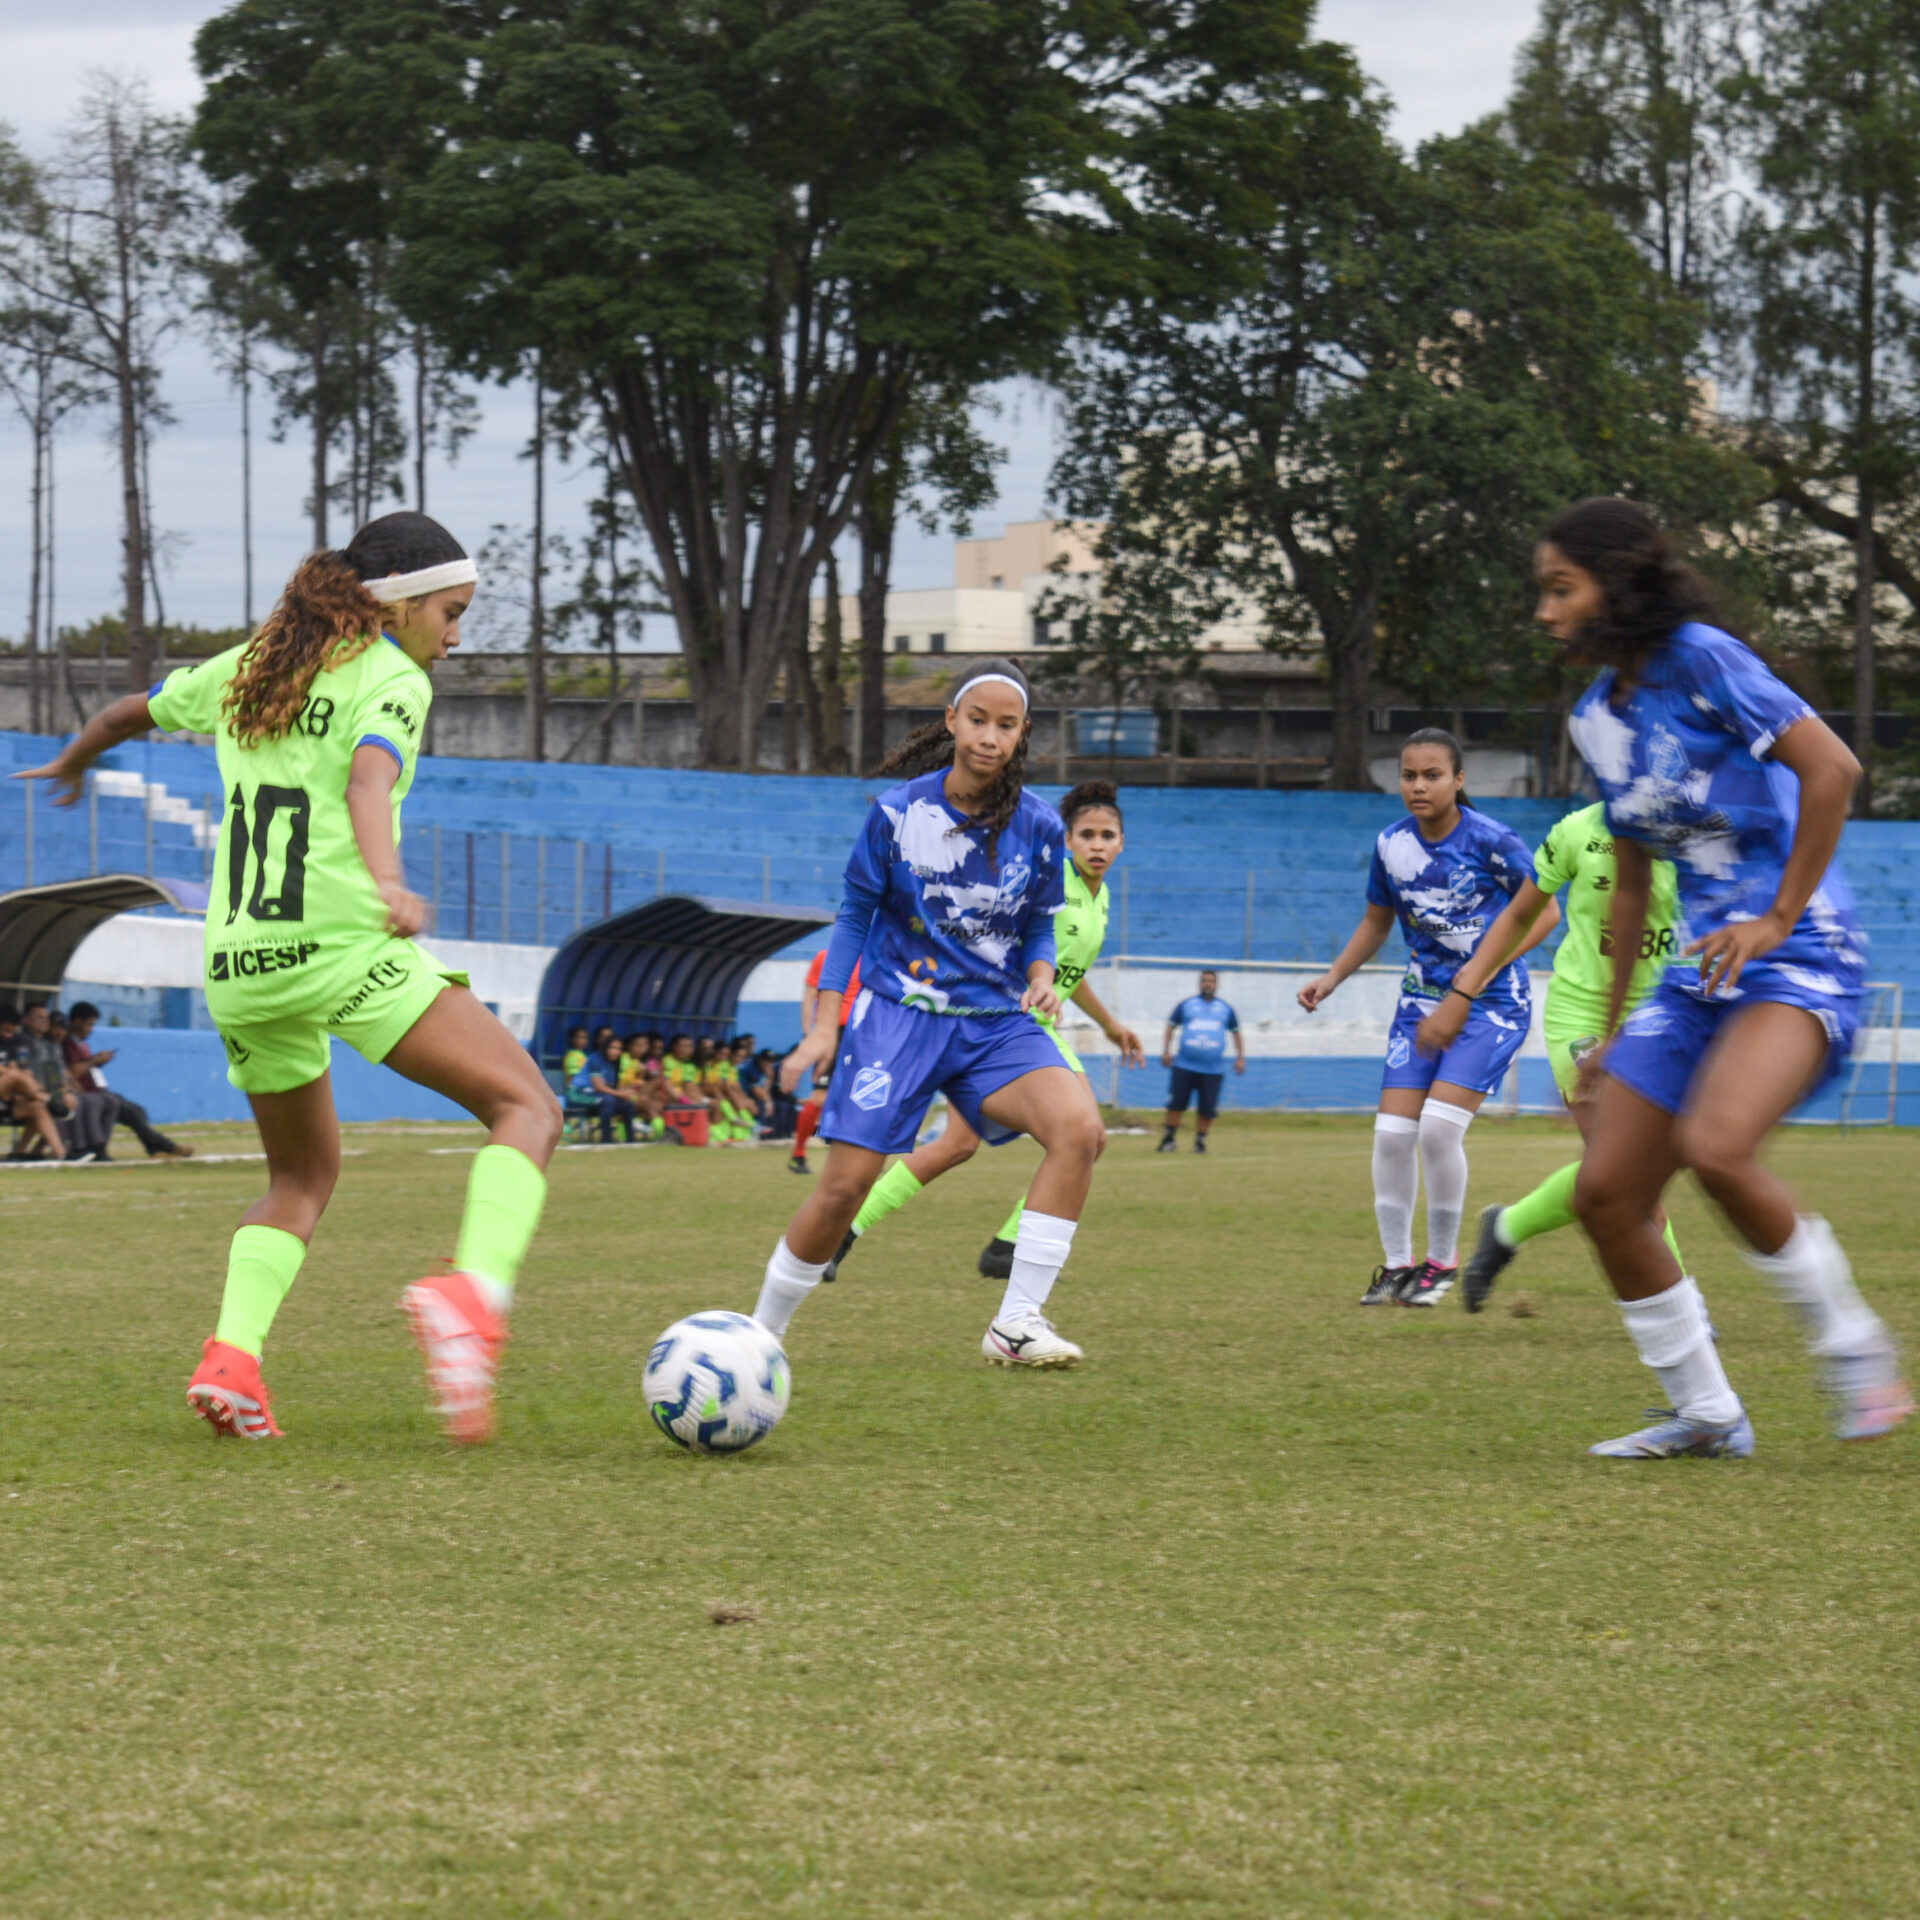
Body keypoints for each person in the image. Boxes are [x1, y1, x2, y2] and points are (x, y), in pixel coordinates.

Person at [11, 511, 561, 1443]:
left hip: (238, 962)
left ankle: (232, 1362)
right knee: (530, 1110)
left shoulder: (257, 664)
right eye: (451, 612)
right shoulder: (390, 677)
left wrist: (72, 758)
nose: (456, 636)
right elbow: (368, 783)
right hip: (341, 946)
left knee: (300, 1176)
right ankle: (472, 1298)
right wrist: (389, 882)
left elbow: (123, 714)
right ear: (399, 605)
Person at [1543, 497, 1909, 1456]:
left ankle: (1856, 1349)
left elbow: (1831, 767)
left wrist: (1778, 915)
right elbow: (1627, 881)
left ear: (1615, 586)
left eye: (1560, 589)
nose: (1545, 613)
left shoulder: (1703, 658)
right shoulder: (1595, 719)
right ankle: (1707, 1415)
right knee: (1607, 1196)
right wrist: (1612, 1028)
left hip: (1802, 954)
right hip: (1699, 976)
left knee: (1715, 1147)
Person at [753, 657, 1104, 1369]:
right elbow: (853, 918)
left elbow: (1038, 925)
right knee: (845, 1187)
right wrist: (825, 1024)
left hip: (994, 1025)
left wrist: (1040, 976)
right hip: (897, 1018)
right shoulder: (898, 813)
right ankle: (760, 1336)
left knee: (1080, 1130)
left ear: (1022, 734)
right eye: (977, 720)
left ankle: (1016, 1322)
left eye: (1006, 726)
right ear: (951, 722)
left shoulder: (1039, 826)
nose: (989, 736)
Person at [824, 780, 1144, 1285]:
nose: (1097, 845)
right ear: (1068, 840)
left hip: (1026, 1028)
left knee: (964, 1145)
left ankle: (990, 1243)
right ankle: (1007, 1246)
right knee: (1084, 1136)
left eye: (1108, 835)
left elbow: (1068, 977)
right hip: (1000, 1025)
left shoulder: (1097, 899)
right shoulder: (1050, 883)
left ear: (1123, 842)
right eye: (1086, 835)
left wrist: (1109, 1026)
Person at [1299, 729, 1560, 1307]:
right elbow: (1376, 922)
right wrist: (1332, 976)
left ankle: (1441, 1263)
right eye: (1409, 775)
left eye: (1432, 775)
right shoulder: (1391, 844)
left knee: (1439, 1130)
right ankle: (1396, 1268)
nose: (1418, 785)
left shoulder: (1494, 841)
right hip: (1420, 1003)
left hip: (1491, 1004)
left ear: (1459, 780)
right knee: (1392, 1136)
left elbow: (1545, 915)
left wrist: (1480, 975)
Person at [1415, 808, 1692, 1311]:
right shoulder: (1576, 831)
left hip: (1661, 1015)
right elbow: (1521, 913)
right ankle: (1683, 1306)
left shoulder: (1698, 832)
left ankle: (1507, 1226)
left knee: (1625, 1172)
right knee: (1630, 1171)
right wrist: (1464, 990)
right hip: (1581, 1013)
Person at [63, 1002, 193, 1160]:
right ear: (77, 1021)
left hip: (99, 1092)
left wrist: (98, 1062)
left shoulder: (81, 1044)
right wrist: (95, 1059)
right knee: (126, 1110)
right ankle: (167, 1146)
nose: (92, 1030)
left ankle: (156, 1150)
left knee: (137, 1111)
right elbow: (74, 1071)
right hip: (88, 1095)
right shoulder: (68, 1044)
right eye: (89, 1024)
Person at [788, 950, 861, 1173]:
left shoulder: (874, 953)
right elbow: (809, 997)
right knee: (819, 1098)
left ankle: (859, 1159)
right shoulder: (825, 957)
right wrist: (807, 1034)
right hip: (833, 1034)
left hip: (863, 1033)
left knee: (861, 1096)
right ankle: (798, 1155)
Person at [1158, 971, 1245, 1153]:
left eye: (1211, 981)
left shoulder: (1225, 1009)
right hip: (1184, 1065)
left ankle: (1200, 1141)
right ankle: (1168, 1138)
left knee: (1207, 1108)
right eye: (1205, 981)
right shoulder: (1186, 1005)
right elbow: (1170, 1027)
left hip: (1213, 1069)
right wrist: (1166, 1051)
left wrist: (1240, 1057)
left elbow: (1236, 1033)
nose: (1208, 984)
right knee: (1176, 1104)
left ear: (1216, 984)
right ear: (1200, 983)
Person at [0, 1005, 67, 1162]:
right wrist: (12, 1073)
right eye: (4, 1030)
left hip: (9, 1098)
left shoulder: (18, 1043)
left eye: (11, 1031)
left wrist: (21, 1077)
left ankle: (61, 1155)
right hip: (10, 1087)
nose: (8, 1035)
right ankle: (45, 1098)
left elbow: (26, 1072)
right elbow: (16, 1074)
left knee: (37, 1107)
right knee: (14, 1076)